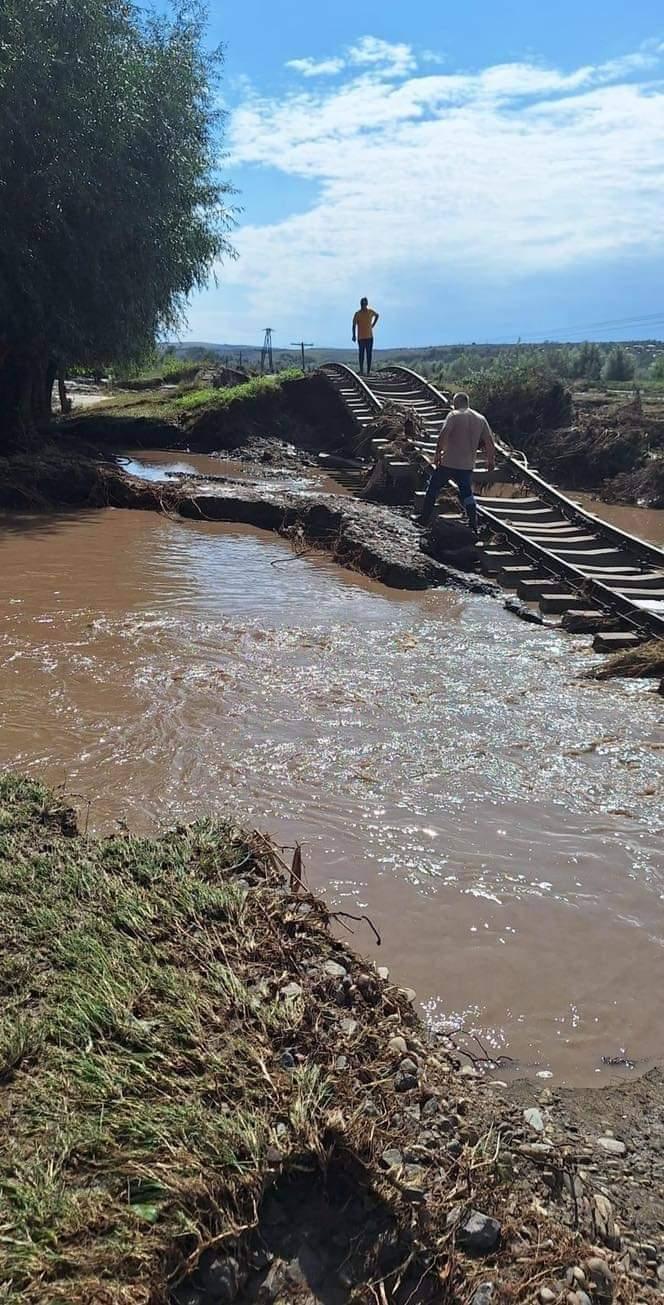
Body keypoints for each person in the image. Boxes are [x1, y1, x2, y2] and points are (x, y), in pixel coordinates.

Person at [418, 393, 495, 534]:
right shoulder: (480, 419)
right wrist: (491, 460)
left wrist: (437, 453)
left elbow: (444, 433)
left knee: (433, 488)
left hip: (449, 462)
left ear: (456, 403)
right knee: (467, 494)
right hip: (467, 465)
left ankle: (424, 518)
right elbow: (489, 441)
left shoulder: (453, 415)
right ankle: (473, 524)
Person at [352, 297, 379, 375]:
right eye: (362, 304)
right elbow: (353, 325)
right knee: (361, 354)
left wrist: (373, 324)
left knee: (369, 354)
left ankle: (368, 371)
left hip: (369, 337)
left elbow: (377, 315)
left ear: (366, 304)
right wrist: (353, 335)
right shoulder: (357, 314)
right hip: (361, 337)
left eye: (364, 304)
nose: (363, 305)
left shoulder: (370, 312)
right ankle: (361, 370)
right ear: (360, 304)